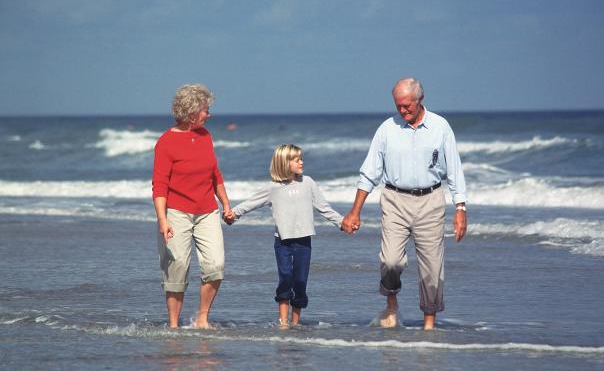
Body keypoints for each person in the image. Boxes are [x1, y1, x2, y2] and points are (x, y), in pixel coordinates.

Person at [341, 78, 467, 330]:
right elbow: (369, 173)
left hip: (431, 201)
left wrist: (460, 208)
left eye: (407, 106)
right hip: (395, 200)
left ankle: (429, 324)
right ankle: (391, 303)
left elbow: (454, 169)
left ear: (421, 100)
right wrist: (355, 211)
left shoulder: (441, 127)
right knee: (391, 262)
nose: (402, 111)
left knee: (432, 269)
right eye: (398, 106)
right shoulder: (387, 129)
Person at [224, 144, 343, 328]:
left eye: (301, 158)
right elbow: (252, 202)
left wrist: (343, 223)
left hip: (304, 241)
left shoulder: (308, 183)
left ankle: (295, 322)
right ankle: (283, 321)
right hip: (283, 242)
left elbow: (324, 208)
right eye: (297, 159)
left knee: (300, 281)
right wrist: (234, 214)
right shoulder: (274, 188)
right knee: (286, 277)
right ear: (284, 163)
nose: (301, 162)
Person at [152, 84, 232, 329]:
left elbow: (215, 174)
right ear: (192, 112)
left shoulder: (206, 136)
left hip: (208, 211)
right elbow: (159, 185)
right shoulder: (165, 142)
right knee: (176, 269)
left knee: (215, 266)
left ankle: (202, 318)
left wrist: (226, 205)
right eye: (206, 110)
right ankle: (174, 325)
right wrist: (163, 221)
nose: (209, 114)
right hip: (176, 213)